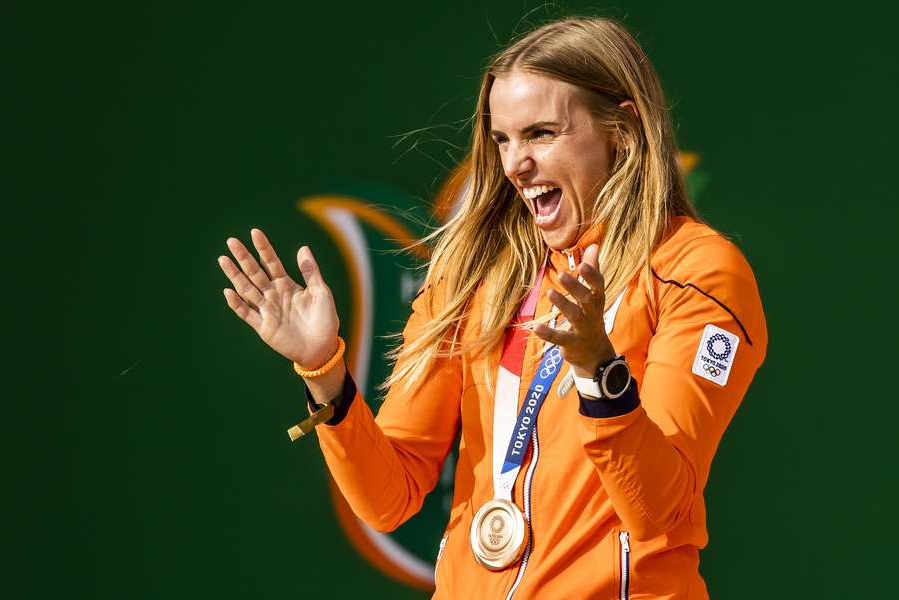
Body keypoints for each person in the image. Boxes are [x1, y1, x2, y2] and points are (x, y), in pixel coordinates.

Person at [217, 16, 767, 600]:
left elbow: (661, 508)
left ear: (623, 131)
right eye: (503, 139)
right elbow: (389, 496)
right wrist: (325, 372)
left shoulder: (697, 271)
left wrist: (600, 375)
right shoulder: (476, 273)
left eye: (541, 133)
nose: (514, 165)